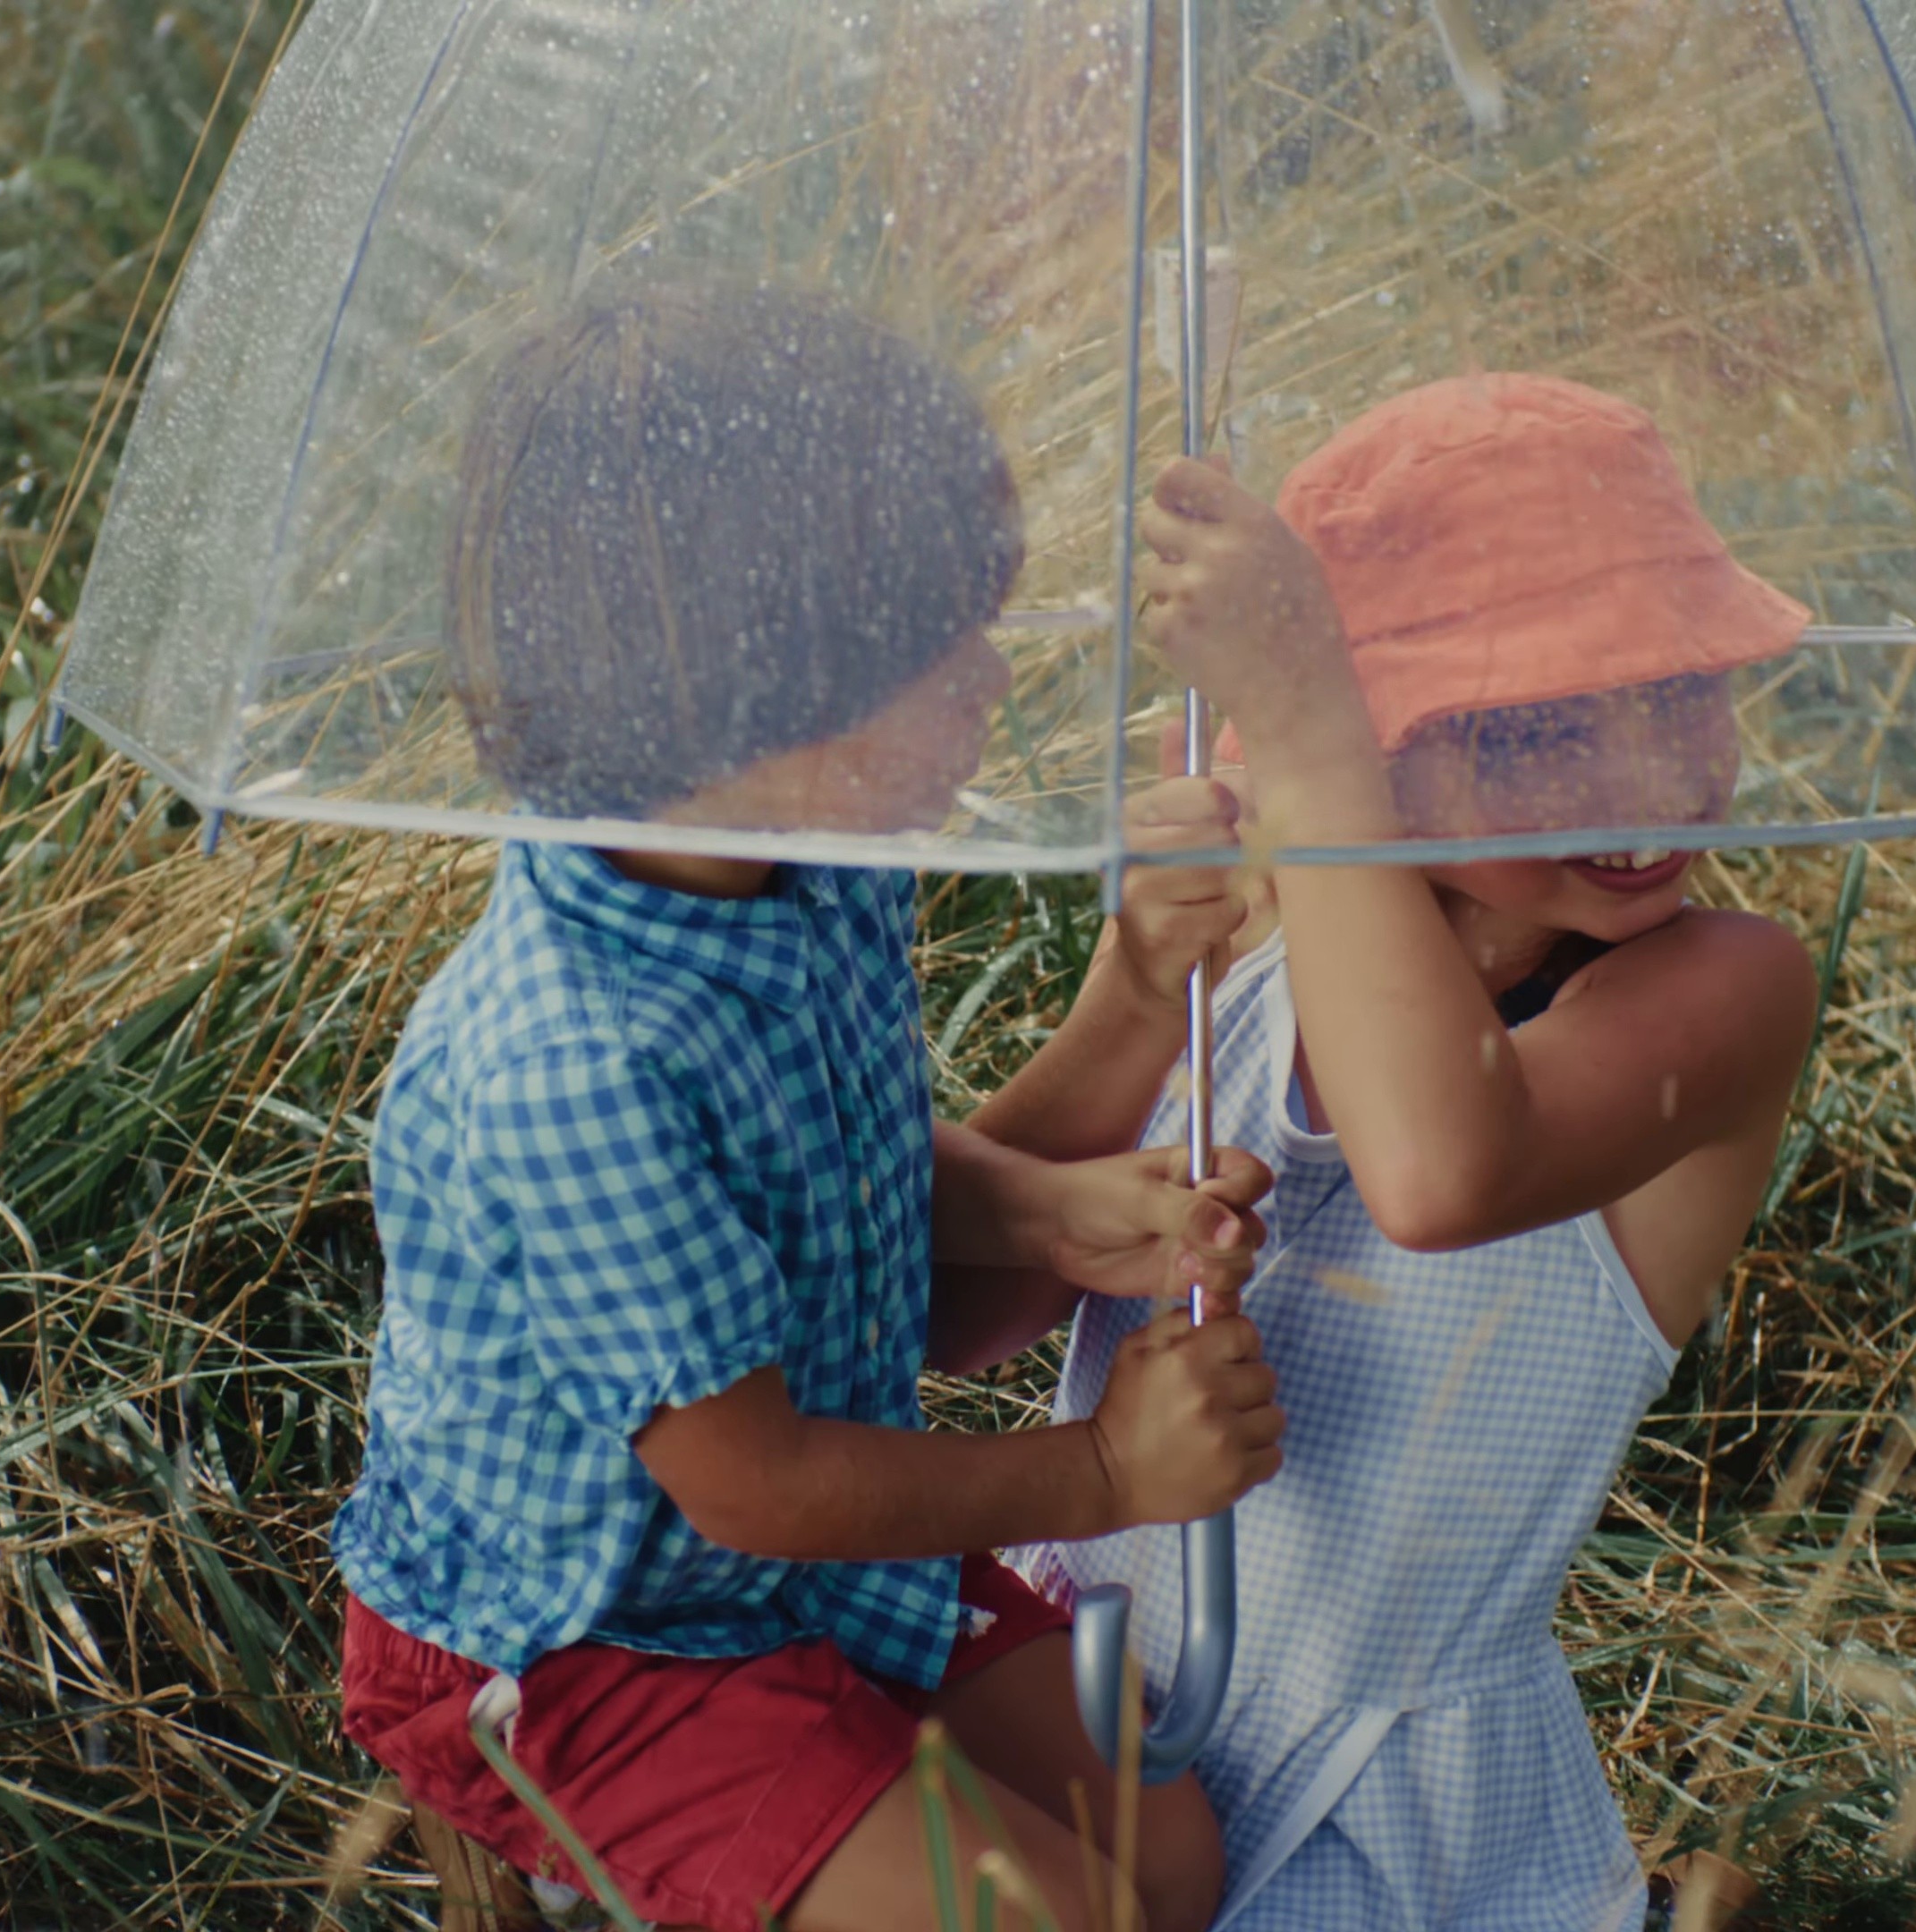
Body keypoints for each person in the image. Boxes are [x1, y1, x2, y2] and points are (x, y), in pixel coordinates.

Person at [331, 277, 1287, 1932]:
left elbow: (839, 1170)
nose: (991, 675)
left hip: (796, 1572)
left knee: (1173, 1867)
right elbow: (752, 1478)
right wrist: (1105, 1479)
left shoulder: (813, 864)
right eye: (936, 652)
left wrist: (1041, 1202)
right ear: (736, 694)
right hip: (599, 1644)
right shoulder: (574, 1061)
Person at [982, 375, 1817, 1930]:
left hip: (1389, 1817)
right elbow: (959, 1311)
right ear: (1383, 732)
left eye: (1683, 689)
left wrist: (1304, 740)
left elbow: (1442, 1173)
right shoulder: (1259, 920)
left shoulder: (1724, 989)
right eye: (1547, 723)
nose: (1643, 770)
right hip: (1077, 1704)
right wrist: (1128, 997)